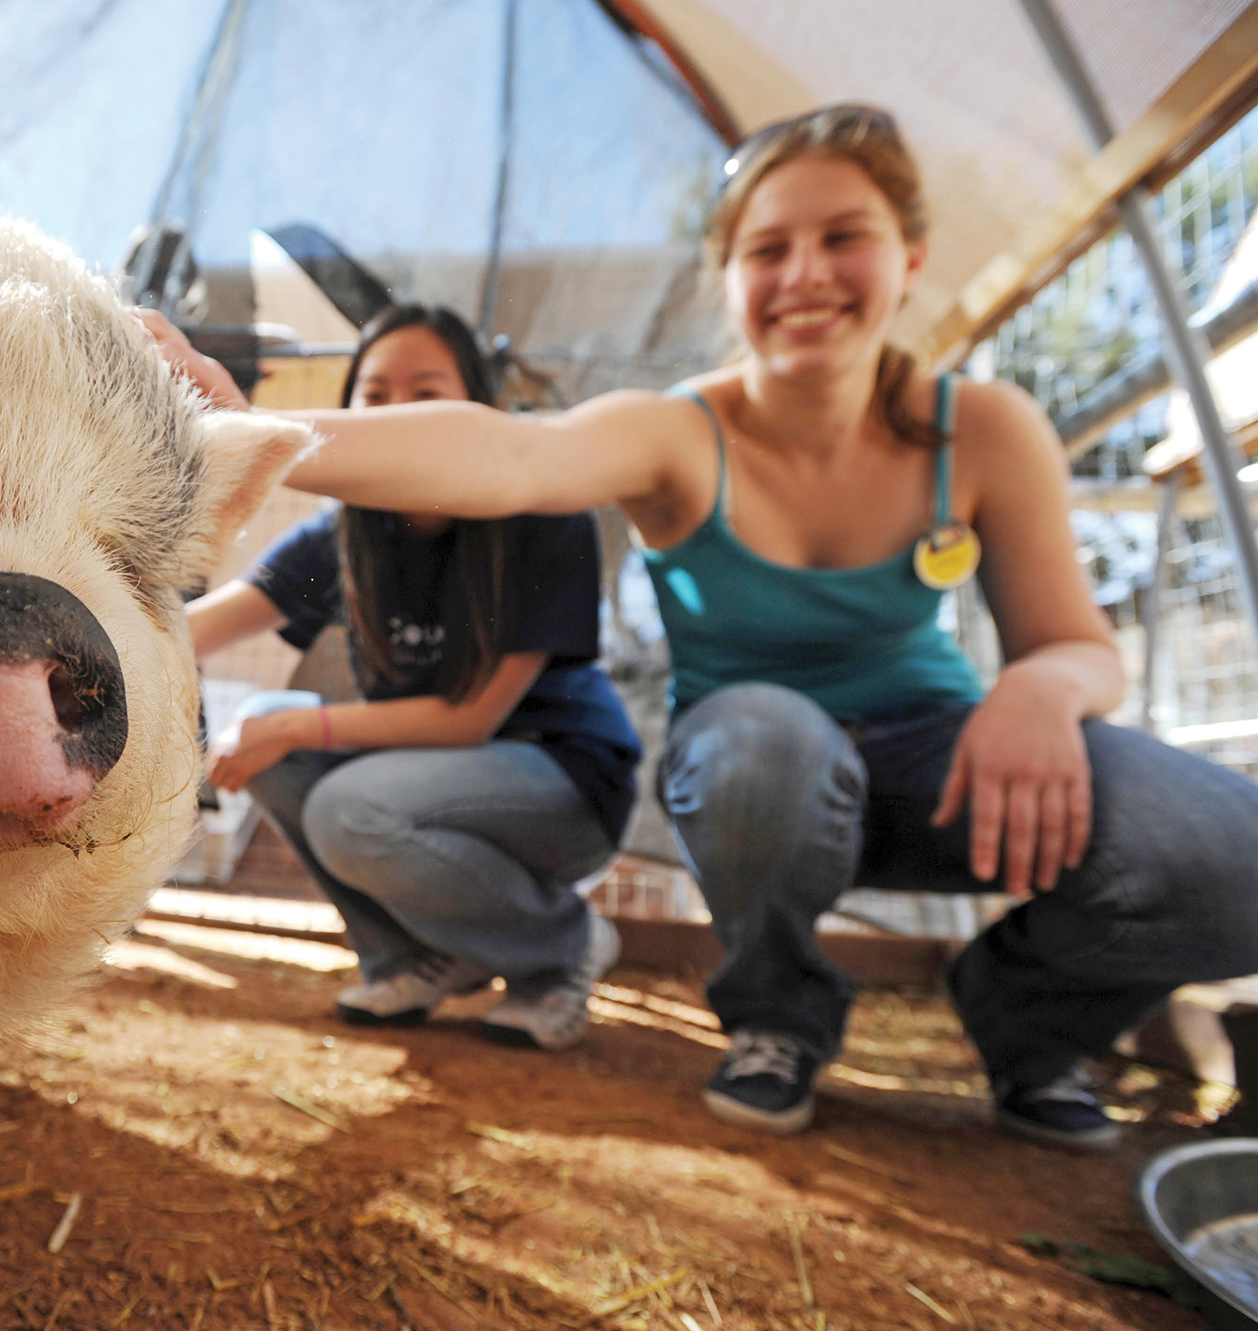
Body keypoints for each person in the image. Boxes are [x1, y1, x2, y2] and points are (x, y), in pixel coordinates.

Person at [146, 105, 1258, 1150]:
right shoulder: (679, 433)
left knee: (1233, 858)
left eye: (843, 237)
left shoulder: (984, 430)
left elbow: (1075, 643)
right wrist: (244, 429)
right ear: (726, 280)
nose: (806, 275)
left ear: (908, 260)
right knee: (761, 737)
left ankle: (1024, 1021)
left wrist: (1038, 688)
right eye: (768, 249)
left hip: (938, 752)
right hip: (751, 778)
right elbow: (509, 454)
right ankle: (778, 1012)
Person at [186, 303, 641, 1051]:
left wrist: (298, 724)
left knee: (344, 800)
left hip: (563, 780)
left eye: (427, 396)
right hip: (423, 775)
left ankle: (564, 947)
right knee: (269, 723)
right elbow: (196, 629)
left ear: (480, 407)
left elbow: (468, 721)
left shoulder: (545, 515)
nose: (398, 419)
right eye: (375, 398)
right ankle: (413, 958)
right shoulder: (344, 532)